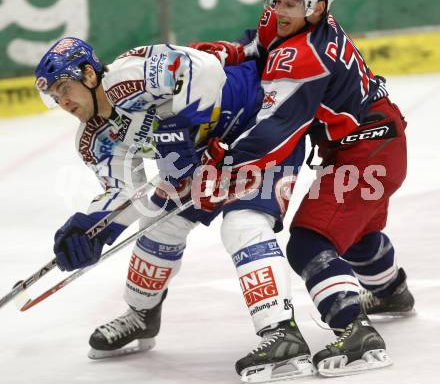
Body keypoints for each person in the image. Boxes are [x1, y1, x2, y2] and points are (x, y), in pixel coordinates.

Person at [34, 37, 315, 381]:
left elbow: (208, 70)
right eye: (55, 97)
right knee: (159, 227)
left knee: (243, 224)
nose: (63, 101)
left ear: (90, 75)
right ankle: (142, 316)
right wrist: (92, 228)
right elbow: (127, 192)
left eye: (65, 87)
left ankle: (281, 332)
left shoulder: (131, 75)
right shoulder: (95, 138)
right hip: (201, 155)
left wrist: (181, 124)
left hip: (257, 123)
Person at [190, 0, 415, 377]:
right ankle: (391, 290)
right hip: (372, 140)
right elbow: (259, 46)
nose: (280, 9)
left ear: (317, 9)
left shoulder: (306, 56)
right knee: (356, 236)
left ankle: (356, 332)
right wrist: (231, 53)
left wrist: (226, 163)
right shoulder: (286, 21)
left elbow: (275, 129)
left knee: (310, 242)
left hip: (367, 150)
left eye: (292, 3)